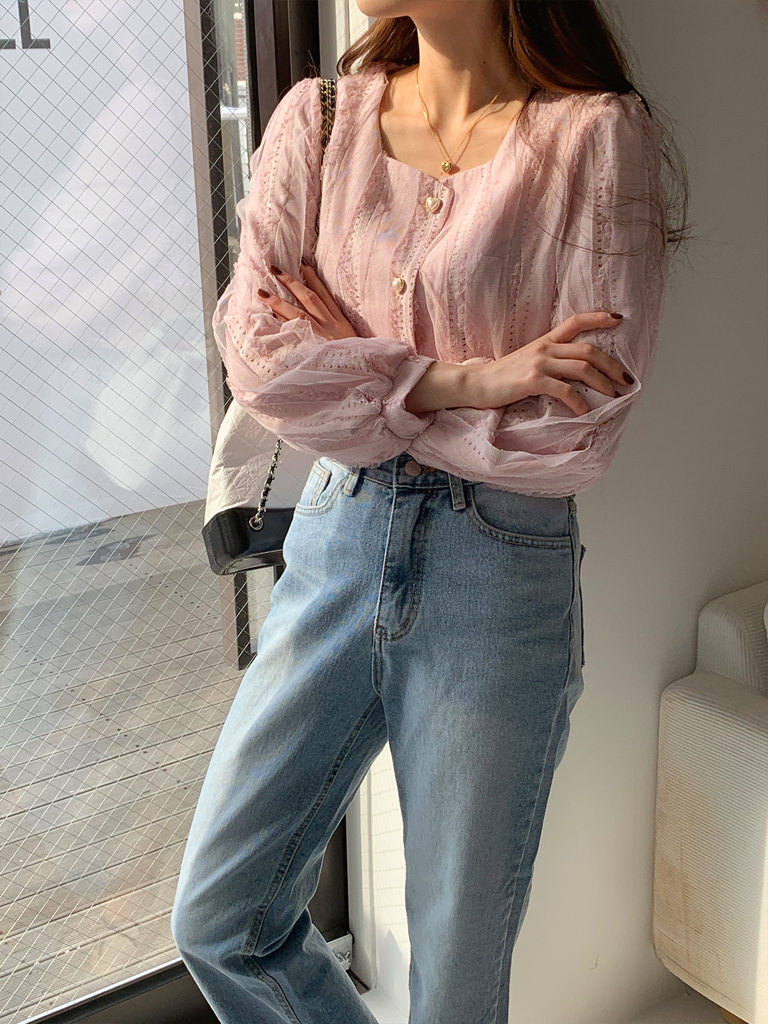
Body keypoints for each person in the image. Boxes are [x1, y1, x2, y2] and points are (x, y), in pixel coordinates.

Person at [172, 2, 683, 1021]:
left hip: (498, 569)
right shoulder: (319, 123)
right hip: (338, 538)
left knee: (454, 984)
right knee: (221, 916)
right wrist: (467, 381)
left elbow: (576, 430)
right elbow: (261, 361)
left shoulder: (594, 139)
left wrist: (354, 373)